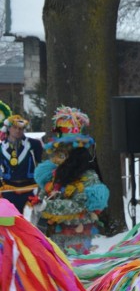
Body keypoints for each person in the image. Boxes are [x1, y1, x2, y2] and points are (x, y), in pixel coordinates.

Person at [33, 106, 109, 255]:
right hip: (53, 234)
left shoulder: (87, 175)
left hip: (77, 236)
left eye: (64, 152)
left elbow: (79, 205)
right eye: (58, 152)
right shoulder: (56, 174)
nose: (59, 156)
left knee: (71, 272)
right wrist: (40, 203)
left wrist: (47, 206)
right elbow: (46, 194)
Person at [0, 108, 43, 213]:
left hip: (29, 188)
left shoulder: (34, 144)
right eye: (15, 127)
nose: (18, 131)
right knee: (10, 220)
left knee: (29, 221)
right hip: (8, 189)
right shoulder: (1, 148)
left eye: (21, 128)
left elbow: (41, 164)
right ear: (9, 128)